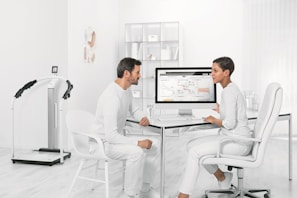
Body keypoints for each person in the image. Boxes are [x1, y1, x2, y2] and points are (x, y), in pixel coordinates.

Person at [178, 57, 253, 198]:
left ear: (226, 72)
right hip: (233, 139)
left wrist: (213, 120)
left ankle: (183, 195)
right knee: (191, 145)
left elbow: (230, 123)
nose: (211, 73)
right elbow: (230, 114)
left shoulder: (228, 92)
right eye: (212, 70)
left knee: (194, 152)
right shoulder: (231, 89)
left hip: (238, 142)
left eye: (215, 70)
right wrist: (216, 107)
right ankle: (222, 177)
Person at [95, 57, 160, 198]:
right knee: (136, 152)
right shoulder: (112, 97)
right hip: (105, 143)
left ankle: (145, 189)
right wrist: (138, 143)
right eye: (137, 72)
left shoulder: (125, 90)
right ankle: (129, 195)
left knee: (155, 144)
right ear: (126, 74)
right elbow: (111, 136)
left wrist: (142, 117)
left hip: (116, 139)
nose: (140, 75)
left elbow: (134, 110)